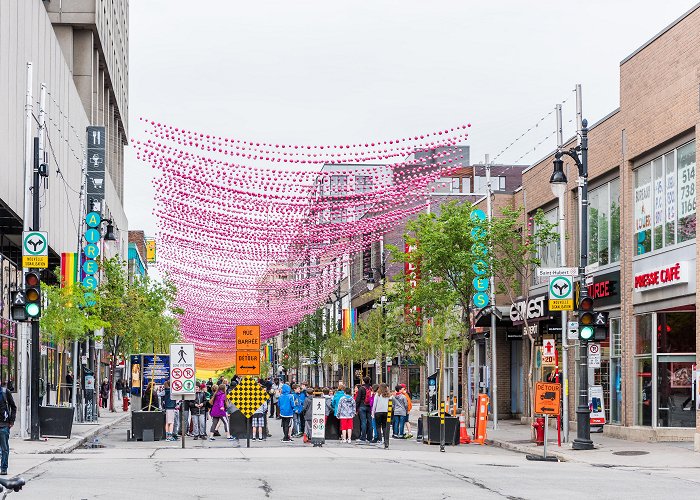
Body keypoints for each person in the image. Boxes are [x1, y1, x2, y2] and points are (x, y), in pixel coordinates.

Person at [0, 381, 17, 475]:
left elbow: (13, 407)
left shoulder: (5, 392)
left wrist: (11, 421)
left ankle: (3, 468)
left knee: (4, 448)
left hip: (4, 425)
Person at [371, 383, 391, 447]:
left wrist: (373, 412)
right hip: (386, 412)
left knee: (378, 426)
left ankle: (380, 439)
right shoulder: (388, 395)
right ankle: (385, 440)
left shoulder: (378, 394)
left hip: (378, 412)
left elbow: (374, 404)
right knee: (385, 426)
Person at [356, 376, 373, 443]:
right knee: (370, 422)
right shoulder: (371, 388)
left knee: (363, 422)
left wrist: (356, 408)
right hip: (369, 407)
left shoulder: (361, 388)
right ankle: (370, 437)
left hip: (362, 406)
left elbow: (358, 399)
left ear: (363, 381)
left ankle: (363, 437)